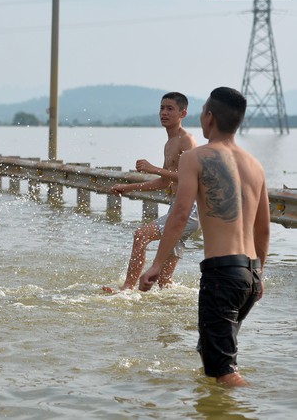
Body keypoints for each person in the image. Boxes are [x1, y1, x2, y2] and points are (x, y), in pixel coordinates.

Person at [139, 87, 270, 387]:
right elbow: (263, 230)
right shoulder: (255, 165)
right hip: (249, 274)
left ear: (209, 118)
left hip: (222, 274)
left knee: (224, 372)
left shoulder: (196, 157)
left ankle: (257, 404)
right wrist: (259, 274)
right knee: (211, 356)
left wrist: (157, 264)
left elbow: (181, 213)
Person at [103, 92, 199, 292]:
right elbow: (165, 182)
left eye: (170, 109)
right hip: (178, 207)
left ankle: (127, 289)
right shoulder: (170, 143)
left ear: (183, 113)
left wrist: (152, 168)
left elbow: (191, 177)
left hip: (188, 210)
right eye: (162, 108)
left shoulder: (187, 140)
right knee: (165, 284)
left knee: (140, 236)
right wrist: (128, 188)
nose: (164, 113)